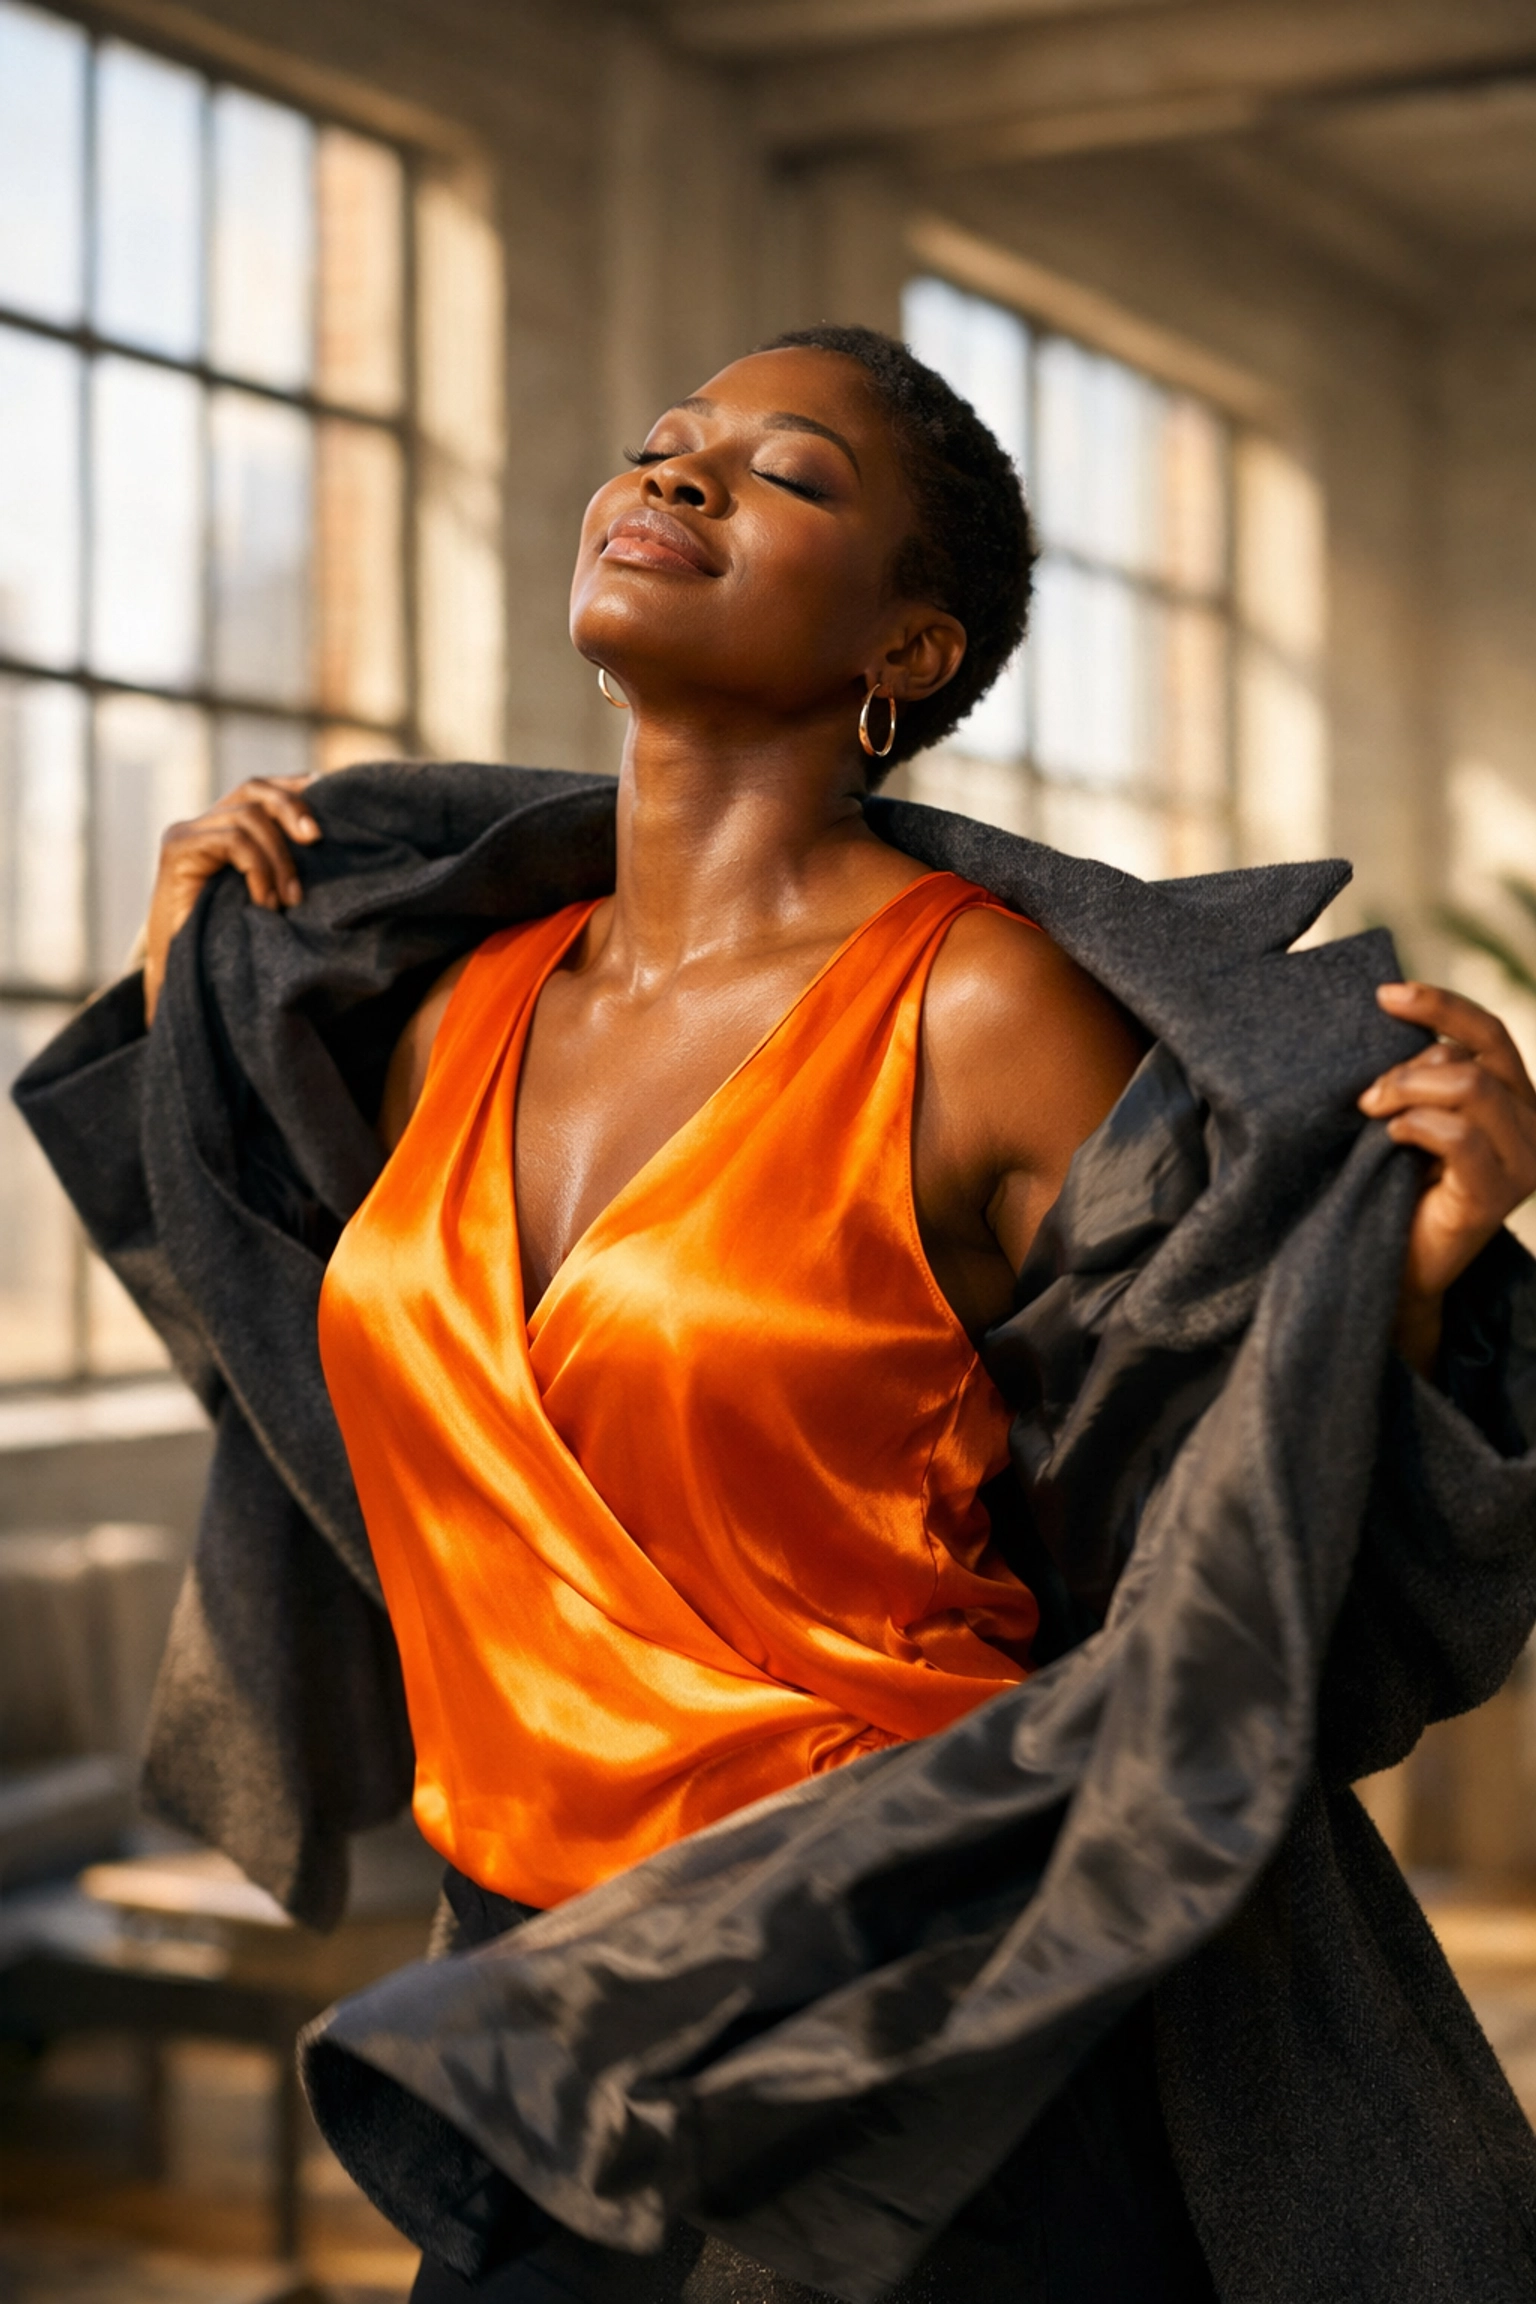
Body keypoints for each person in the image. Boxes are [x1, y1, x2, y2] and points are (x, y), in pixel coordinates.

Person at [78, 327, 1536, 2297]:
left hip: (907, 2013)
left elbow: (1209, 1521)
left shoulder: (981, 1012)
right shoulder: (435, 1012)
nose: (674, 481)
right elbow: (311, 1355)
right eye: (660, 447)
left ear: (908, 653)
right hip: (534, 1997)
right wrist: (205, 1004)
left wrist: (1416, 1287)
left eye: (784, 473)